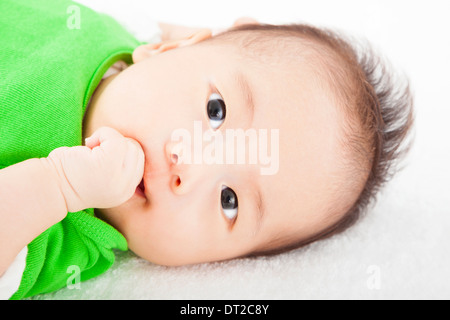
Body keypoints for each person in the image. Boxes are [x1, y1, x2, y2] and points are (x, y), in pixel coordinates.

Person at [0, 0, 414, 299]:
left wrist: (59, 185)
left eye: (229, 201)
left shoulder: (65, 240)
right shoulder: (130, 33)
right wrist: (234, 40)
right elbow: (188, 45)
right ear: (167, 50)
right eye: (216, 110)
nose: (191, 168)